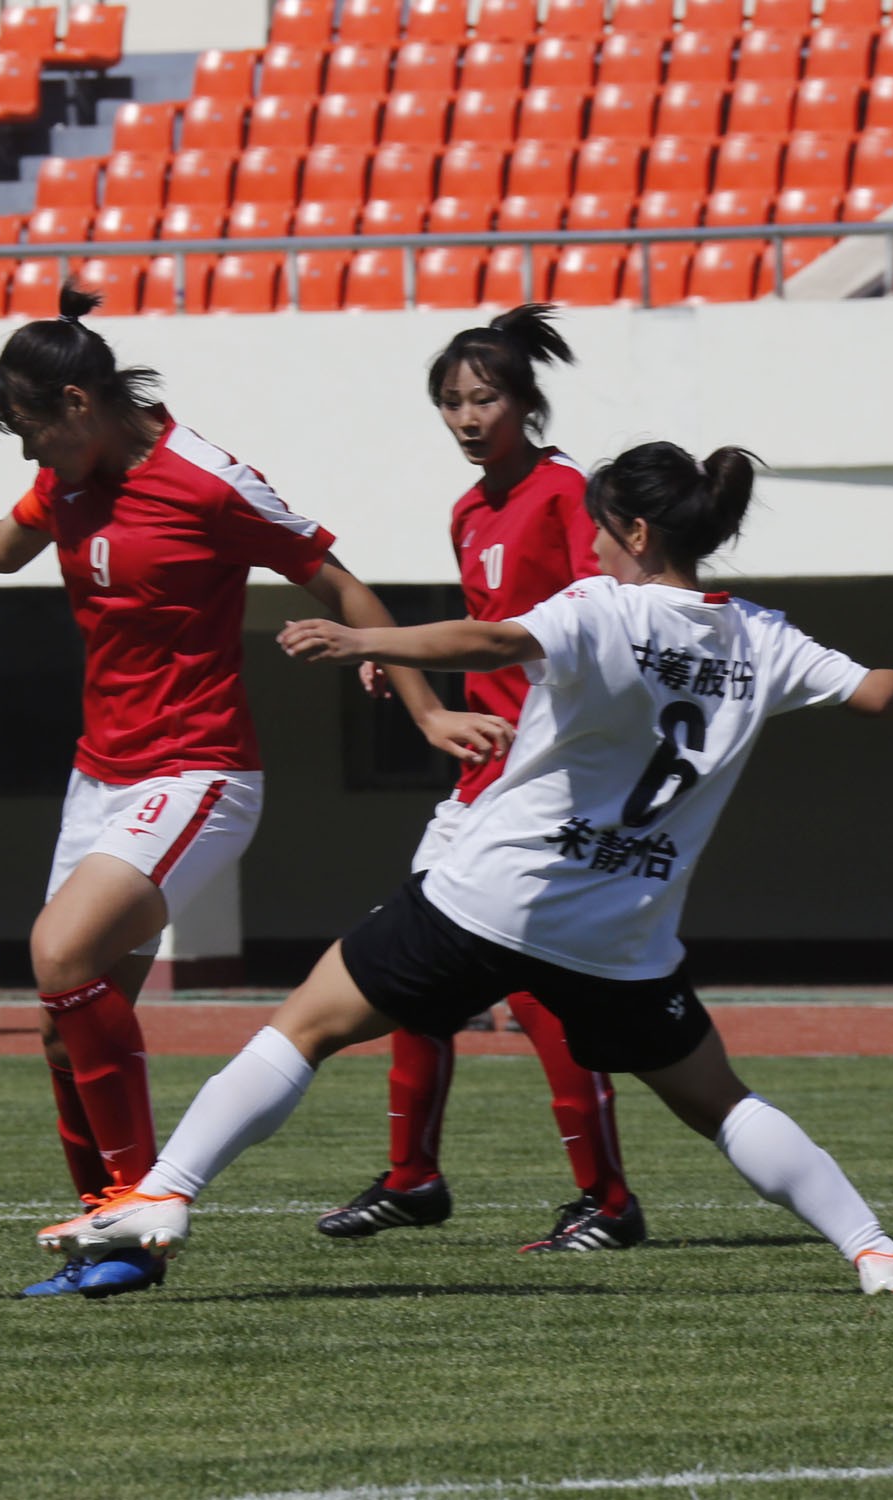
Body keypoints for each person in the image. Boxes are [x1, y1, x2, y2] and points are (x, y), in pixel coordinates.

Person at [43, 441, 893, 1300]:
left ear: (638, 533)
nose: (594, 546)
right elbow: (882, 696)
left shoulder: (601, 606)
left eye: (601, 529)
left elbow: (491, 640)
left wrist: (365, 640)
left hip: (493, 896)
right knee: (720, 1101)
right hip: (622, 934)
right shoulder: (764, 637)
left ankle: (165, 1195)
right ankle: (873, 1250)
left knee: (305, 1028)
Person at [0, 282, 510, 1300]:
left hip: (198, 772)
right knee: (60, 1013)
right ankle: (110, 1228)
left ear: (81, 405)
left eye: (33, 432)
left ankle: (140, 1214)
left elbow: (339, 585)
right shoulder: (73, 481)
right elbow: (5, 550)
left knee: (58, 950)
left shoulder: (208, 482)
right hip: (104, 774)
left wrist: (425, 709)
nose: (28, 456)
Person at [317, 305, 647, 1255]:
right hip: (480, 778)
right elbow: (489, 633)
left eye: (484, 398)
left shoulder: (566, 494)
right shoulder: (470, 510)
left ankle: (608, 1199)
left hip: (544, 779)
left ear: (526, 401)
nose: (467, 417)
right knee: (415, 975)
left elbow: (609, 620)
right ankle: (415, 1178)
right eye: (451, 402)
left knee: (536, 989)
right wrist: (400, 659)